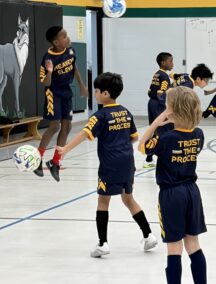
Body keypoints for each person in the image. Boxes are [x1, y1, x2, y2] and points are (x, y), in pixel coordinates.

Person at [57, 72, 158, 257]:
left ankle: (103, 244)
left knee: (103, 201)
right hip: (128, 162)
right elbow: (134, 138)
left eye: (96, 91)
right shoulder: (126, 112)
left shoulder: (100, 116)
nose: (94, 94)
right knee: (128, 199)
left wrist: (65, 149)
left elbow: (84, 134)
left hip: (110, 165)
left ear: (105, 93)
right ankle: (149, 235)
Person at [139, 86, 207, 284]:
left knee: (174, 248)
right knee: (193, 244)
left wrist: (156, 122)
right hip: (192, 193)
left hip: (171, 194)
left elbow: (142, 147)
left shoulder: (167, 138)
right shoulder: (199, 134)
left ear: (172, 111)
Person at [34, 26, 88, 181]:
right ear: (56, 42)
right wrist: (50, 71)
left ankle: (55, 162)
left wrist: (82, 85)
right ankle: (38, 158)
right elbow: (45, 82)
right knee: (55, 126)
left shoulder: (70, 51)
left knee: (67, 126)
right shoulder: (48, 58)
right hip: (53, 92)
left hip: (66, 91)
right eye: (64, 36)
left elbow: (74, 66)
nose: (68, 38)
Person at [145, 52, 174, 168]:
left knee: (156, 130)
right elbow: (160, 93)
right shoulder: (164, 76)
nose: (172, 63)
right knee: (164, 130)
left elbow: (149, 92)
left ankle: (149, 157)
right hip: (158, 105)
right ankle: (163, 156)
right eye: (170, 61)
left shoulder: (156, 74)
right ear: (163, 62)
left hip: (151, 103)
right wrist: (167, 107)